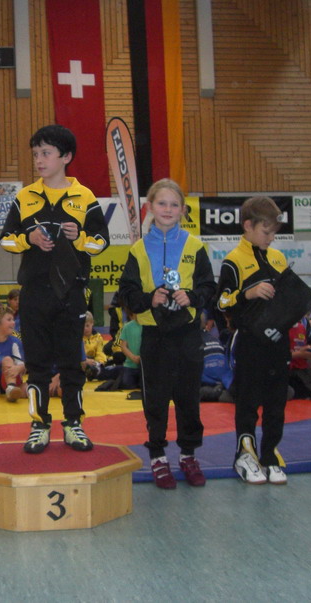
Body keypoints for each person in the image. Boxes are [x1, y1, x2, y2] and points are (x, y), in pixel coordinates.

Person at [0, 124, 109, 454]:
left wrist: (80, 238)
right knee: (36, 364)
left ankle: (74, 423)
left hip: (71, 293)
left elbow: (101, 242)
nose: (39, 159)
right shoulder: (25, 197)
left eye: (46, 153)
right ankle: (39, 425)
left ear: (66, 157)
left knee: (71, 363)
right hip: (34, 293)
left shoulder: (85, 197)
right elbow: (5, 240)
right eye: (35, 154)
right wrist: (27, 239)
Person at [118, 179, 216, 489]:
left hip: (187, 334)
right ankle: (158, 457)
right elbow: (127, 293)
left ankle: (188, 454)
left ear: (183, 210)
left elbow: (209, 287)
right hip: (154, 336)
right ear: (150, 207)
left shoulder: (195, 246)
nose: (168, 209)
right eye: (162, 203)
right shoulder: (137, 250)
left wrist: (193, 296)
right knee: (156, 400)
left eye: (174, 205)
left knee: (189, 398)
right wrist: (149, 299)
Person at [216, 196, 293, 485]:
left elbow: (287, 298)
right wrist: (247, 294)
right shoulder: (233, 261)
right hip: (249, 342)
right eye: (266, 232)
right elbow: (221, 302)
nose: (271, 238)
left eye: (274, 233)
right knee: (248, 401)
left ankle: (270, 454)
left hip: (278, 342)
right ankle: (245, 455)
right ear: (248, 226)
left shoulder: (278, 258)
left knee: (276, 402)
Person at [81, 311, 107, 380]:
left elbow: (100, 352)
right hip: (82, 360)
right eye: (82, 326)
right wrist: (85, 360)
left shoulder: (98, 337)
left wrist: (99, 362)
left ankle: (94, 371)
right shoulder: (78, 338)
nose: (85, 328)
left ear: (92, 323)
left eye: (87, 326)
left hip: (93, 361)